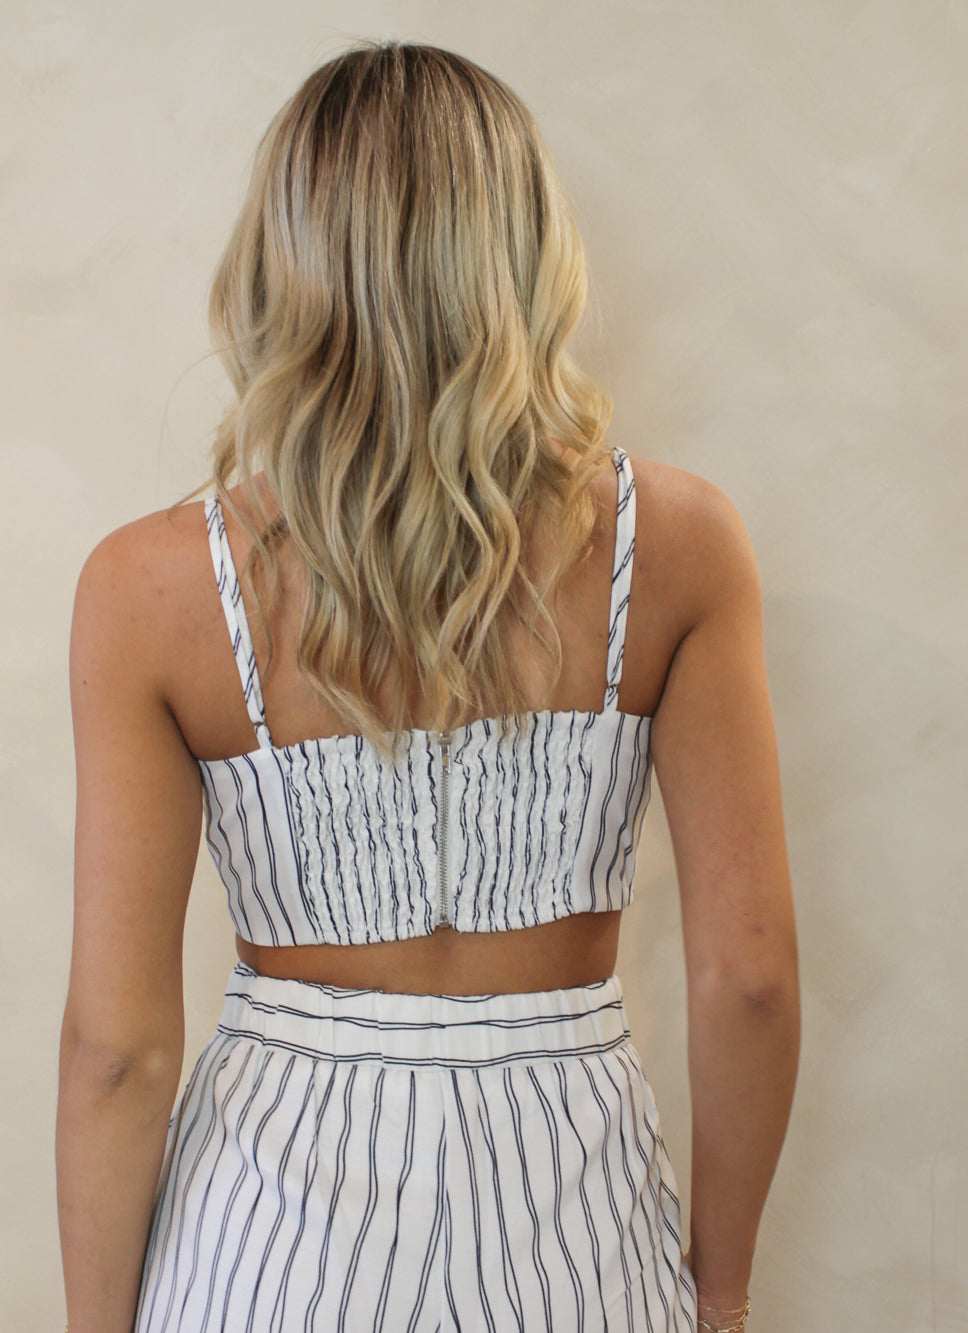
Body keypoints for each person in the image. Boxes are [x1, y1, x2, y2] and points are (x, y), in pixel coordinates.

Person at [56, 39, 799, 1333]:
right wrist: (722, 1287)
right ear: (526, 258)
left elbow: (118, 1052)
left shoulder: (152, 591)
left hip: (266, 1246)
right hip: (577, 1229)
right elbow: (750, 979)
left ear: (280, 264)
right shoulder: (675, 547)